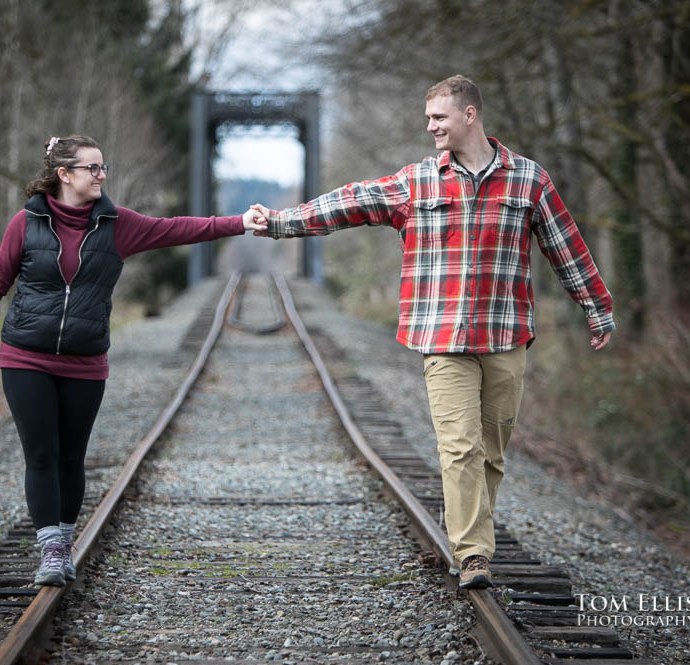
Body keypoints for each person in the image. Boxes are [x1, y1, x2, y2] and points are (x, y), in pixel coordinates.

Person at [251, 75, 614, 589]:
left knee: (491, 450)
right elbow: (349, 203)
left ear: (470, 115)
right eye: (428, 119)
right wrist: (284, 222)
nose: (431, 127)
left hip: (505, 335)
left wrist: (596, 307)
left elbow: (566, 247)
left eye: (439, 118)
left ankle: (467, 525)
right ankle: (473, 555)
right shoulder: (415, 181)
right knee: (459, 447)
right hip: (441, 337)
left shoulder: (529, 180)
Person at [0, 135, 267, 586]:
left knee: (71, 458)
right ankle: (52, 549)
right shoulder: (26, 222)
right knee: (41, 456)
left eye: (103, 167)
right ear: (65, 175)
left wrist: (239, 222)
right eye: (92, 168)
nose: (101, 175)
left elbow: (179, 228)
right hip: (24, 356)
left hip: (84, 361)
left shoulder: (117, 225)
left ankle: (65, 537)